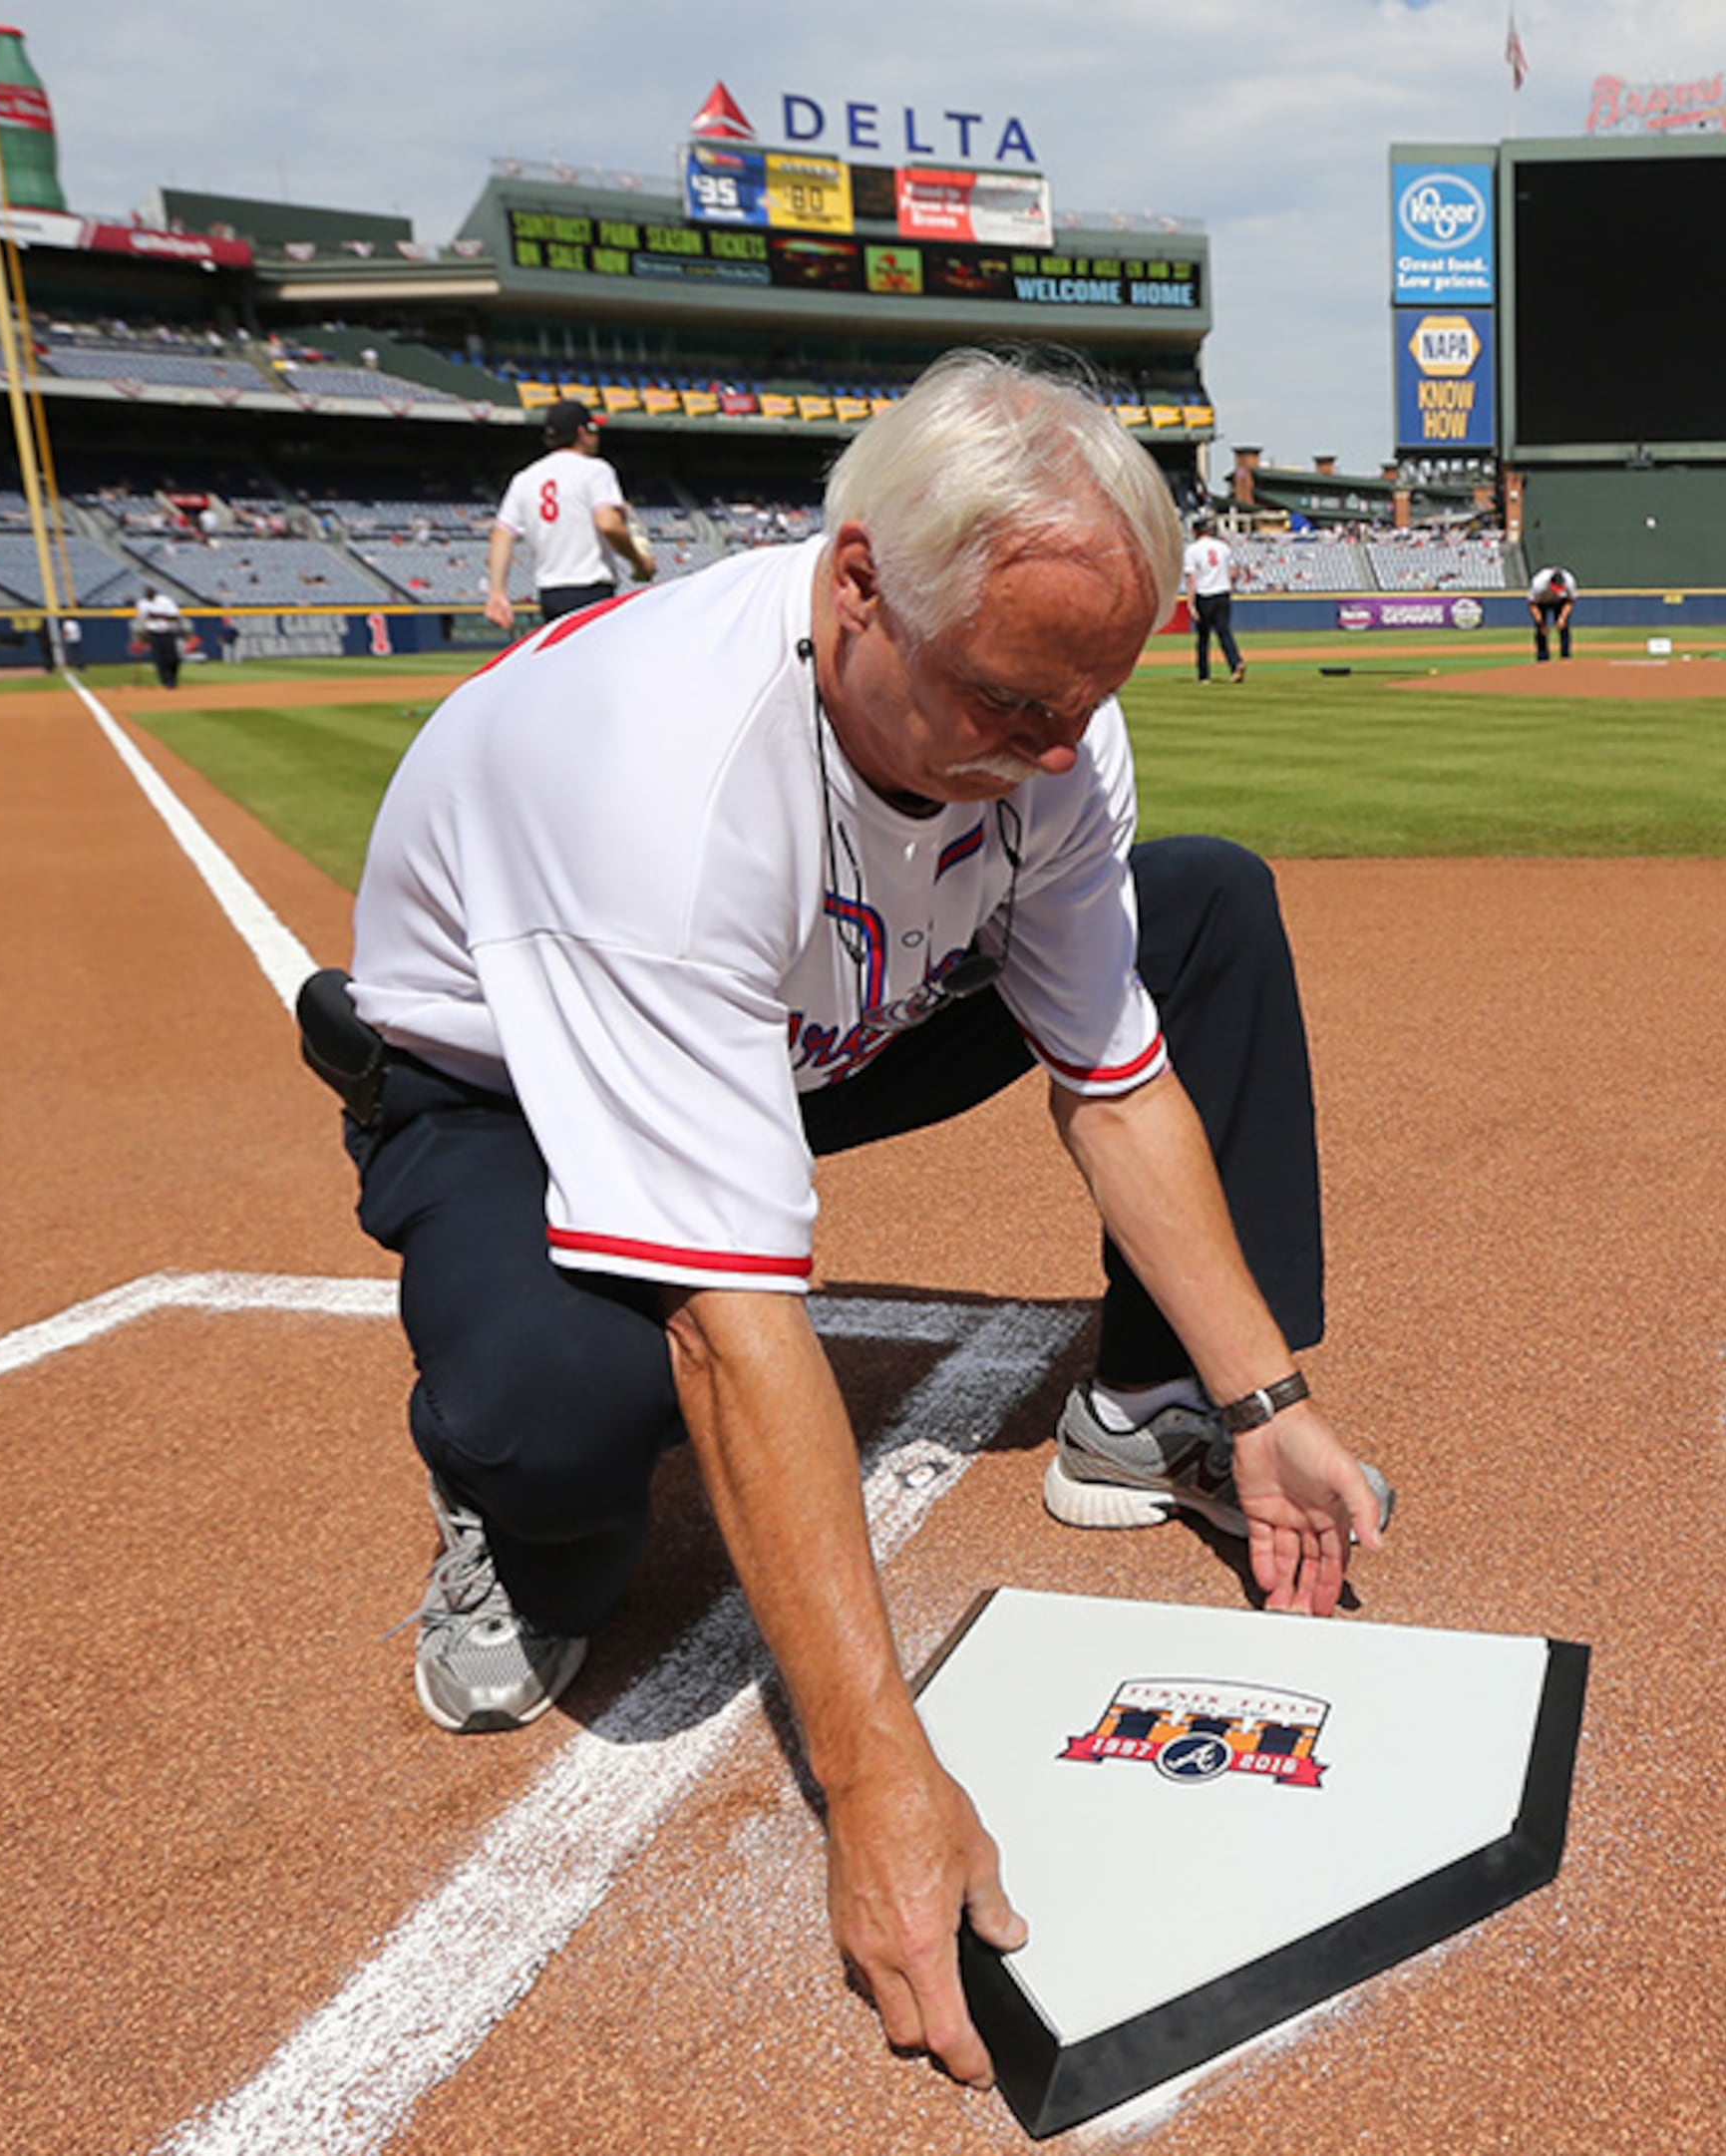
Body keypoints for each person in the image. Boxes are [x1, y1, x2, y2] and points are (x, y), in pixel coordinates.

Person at [304, 353, 1391, 2087]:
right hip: (515, 1079)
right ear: (861, 584)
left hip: (814, 1013)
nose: (1055, 748)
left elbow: (1111, 1077)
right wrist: (880, 1772)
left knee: (1200, 906)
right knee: (568, 1409)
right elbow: (738, 1322)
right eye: (1010, 704)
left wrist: (1268, 1400)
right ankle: (504, 1504)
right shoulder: (659, 781)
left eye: (1083, 702)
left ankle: (1148, 1412)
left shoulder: (1048, 720)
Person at [486, 399, 657, 632]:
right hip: (591, 592)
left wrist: (498, 593)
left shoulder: (525, 478)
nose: (596, 437)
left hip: (550, 595)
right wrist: (639, 562)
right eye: (593, 430)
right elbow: (608, 524)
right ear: (581, 432)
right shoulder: (595, 470)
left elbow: (501, 534)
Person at [1180, 514, 1245, 683]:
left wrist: (1191, 602)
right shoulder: (1223, 547)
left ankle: (1204, 675)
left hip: (1205, 595)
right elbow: (1234, 571)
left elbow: (1192, 578)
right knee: (1224, 633)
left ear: (1196, 531)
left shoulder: (1192, 550)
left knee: (1203, 637)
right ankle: (1235, 662)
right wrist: (1231, 587)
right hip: (1223, 593)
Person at [135, 587, 189, 689]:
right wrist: (142, 633)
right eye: (147, 593)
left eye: (150, 593)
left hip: (168, 632)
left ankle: (173, 677)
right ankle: (166, 681)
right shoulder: (142, 603)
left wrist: (158, 616)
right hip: (153, 633)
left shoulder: (165, 601)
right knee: (159, 659)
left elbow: (176, 616)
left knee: (173, 658)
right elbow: (142, 619)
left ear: (155, 593)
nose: (148, 595)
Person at [1528, 559, 1575, 662]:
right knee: (1541, 630)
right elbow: (1532, 604)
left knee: (1564, 628)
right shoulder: (1538, 583)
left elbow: (1570, 601)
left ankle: (1565, 656)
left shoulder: (1569, 581)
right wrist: (1541, 623)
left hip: (1560, 601)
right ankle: (1542, 658)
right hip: (1541, 601)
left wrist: (1562, 618)